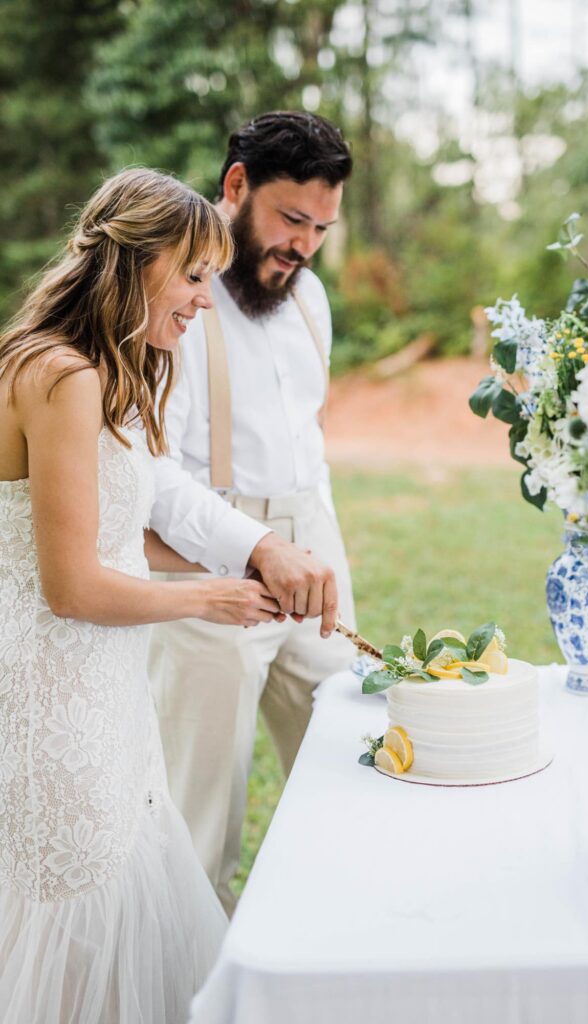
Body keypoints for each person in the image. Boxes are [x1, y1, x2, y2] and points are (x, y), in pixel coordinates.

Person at [0, 167, 338, 1023]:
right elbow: (71, 582)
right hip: (57, 693)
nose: (201, 300)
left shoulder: (99, 370)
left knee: (123, 891)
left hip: (104, 689)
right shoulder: (58, 374)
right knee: (71, 912)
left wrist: (229, 568)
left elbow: (117, 527)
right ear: (135, 261)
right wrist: (210, 599)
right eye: (191, 277)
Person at [149, 111, 357, 916]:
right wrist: (259, 546)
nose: (304, 245)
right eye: (291, 219)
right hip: (208, 575)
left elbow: (310, 440)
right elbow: (157, 480)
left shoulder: (312, 300)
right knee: (200, 829)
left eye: (321, 228)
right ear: (236, 186)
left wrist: (321, 546)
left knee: (352, 767)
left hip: (314, 562)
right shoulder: (176, 301)